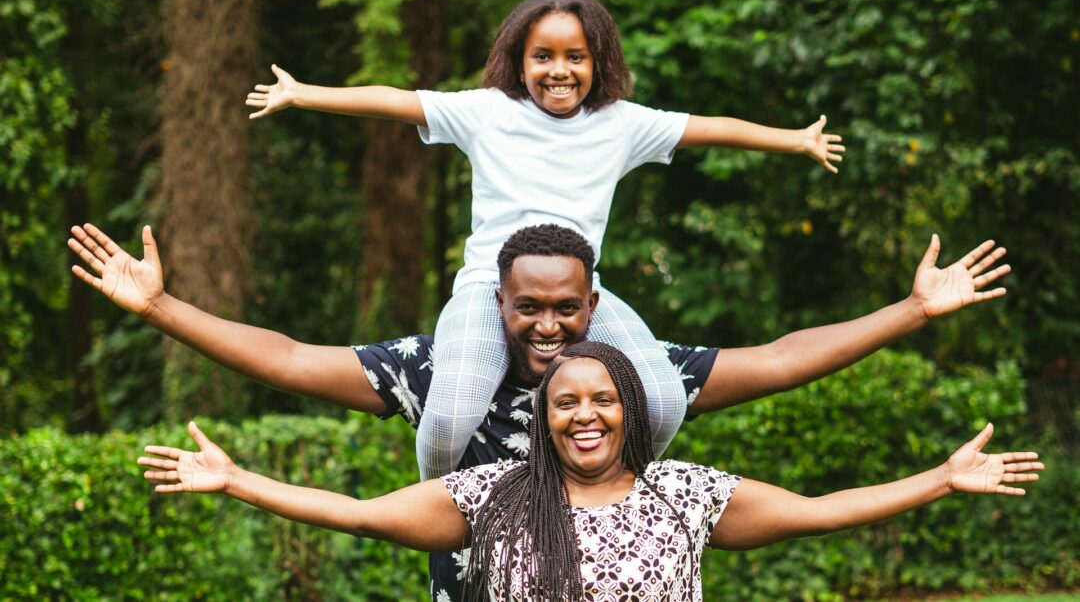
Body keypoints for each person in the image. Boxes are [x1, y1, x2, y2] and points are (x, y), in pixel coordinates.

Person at [69, 221, 1010, 600]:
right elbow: (286, 359)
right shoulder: (442, 378)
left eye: (569, 307)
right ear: (499, 304)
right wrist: (160, 308)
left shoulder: (647, 407)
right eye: (531, 307)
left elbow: (778, 362)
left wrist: (915, 310)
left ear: (594, 309)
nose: (550, 324)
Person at [244, 0, 848, 482]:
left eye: (575, 57)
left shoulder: (622, 124)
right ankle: (437, 508)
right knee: (452, 411)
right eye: (543, 57)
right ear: (519, 60)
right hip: (491, 288)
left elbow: (710, 128)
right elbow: (396, 101)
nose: (559, 70)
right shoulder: (487, 111)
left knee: (662, 399)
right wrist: (303, 94)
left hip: (583, 295)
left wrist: (793, 139)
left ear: (598, 61)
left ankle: (614, 501)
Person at [138, 341, 1041, 601]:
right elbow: (364, 513)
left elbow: (819, 510)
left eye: (602, 398)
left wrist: (938, 478)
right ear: (544, 416)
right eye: (565, 401)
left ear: (631, 410)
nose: (584, 413)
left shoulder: (686, 493)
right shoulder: (492, 494)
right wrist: (240, 479)